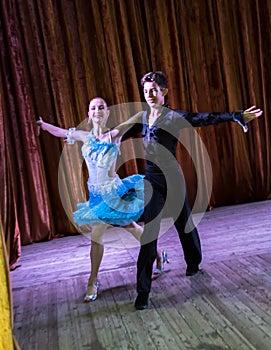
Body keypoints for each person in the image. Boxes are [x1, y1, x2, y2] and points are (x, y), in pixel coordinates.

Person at [122, 71, 263, 310]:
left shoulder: (174, 116)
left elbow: (204, 118)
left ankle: (193, 262)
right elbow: (117, 134)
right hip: (152, 182)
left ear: (164, 91)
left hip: (174, 181)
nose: (150, 95)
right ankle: (143, 292)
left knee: (184, 224)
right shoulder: (142, 118)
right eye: (146, 91)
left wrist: (235, 116)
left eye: (154, 90)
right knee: (149, 236)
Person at [36, 97, 168, 302]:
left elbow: (134, 119)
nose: (97, 111)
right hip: (97, 196)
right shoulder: (84, 136)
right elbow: (61, 132)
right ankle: (159, 256)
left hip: (114, 193)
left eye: (101, 108)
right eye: (93, 108)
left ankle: (93, 280)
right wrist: (43, 125)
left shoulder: (114, 135)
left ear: (107, 113)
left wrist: (150, 109)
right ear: (88, 114)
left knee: (99, 232)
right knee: (130, 227)